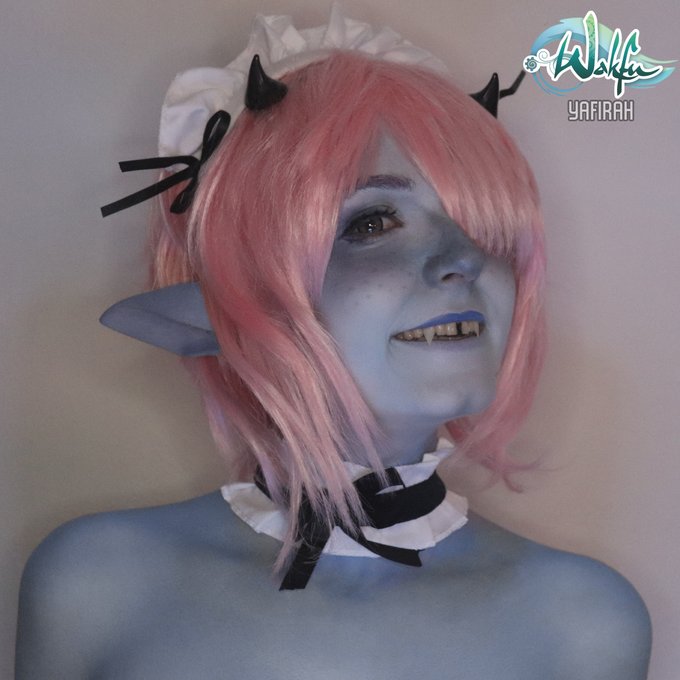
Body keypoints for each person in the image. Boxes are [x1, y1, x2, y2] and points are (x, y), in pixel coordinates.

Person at [15, 9, 651, 679]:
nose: (465, 259)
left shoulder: (583, 622)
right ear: (240, 291)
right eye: (372, 222)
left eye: (484, 227)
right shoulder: (97, 582)